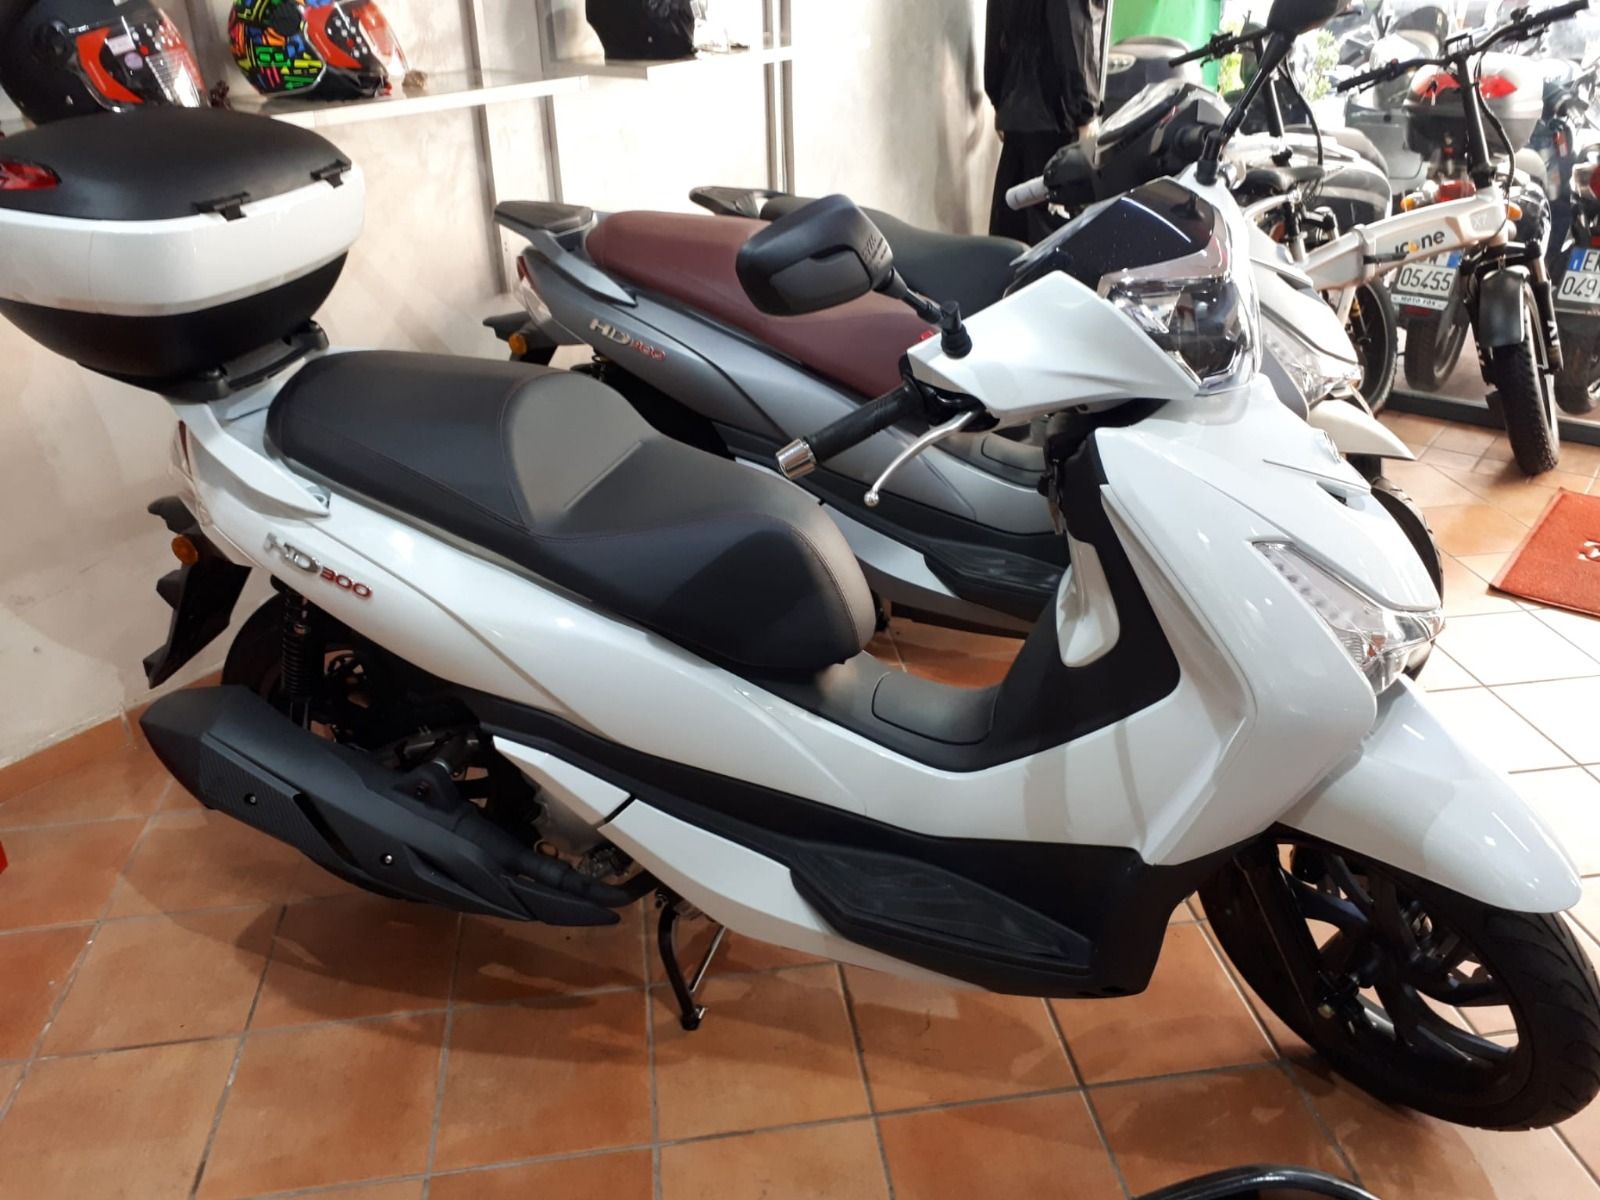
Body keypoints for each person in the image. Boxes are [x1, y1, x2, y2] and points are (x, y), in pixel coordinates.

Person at [985, 0, 1107, 242]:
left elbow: (995, 27)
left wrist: (1000, 97)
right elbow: (1074, 31)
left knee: (1011, 222)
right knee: (1049, 232)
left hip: (1018, 105)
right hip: (1054, 109)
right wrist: (1085, 110)